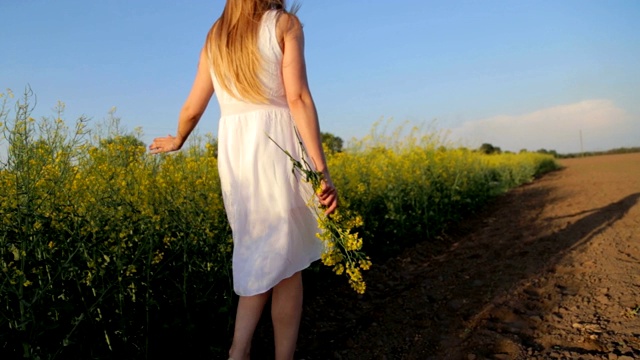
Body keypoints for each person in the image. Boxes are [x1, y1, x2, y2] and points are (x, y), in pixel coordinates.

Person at [148, 1, 338, 359]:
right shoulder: (285, 24)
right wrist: (321, 170)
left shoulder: (215, 37)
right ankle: (260, 354)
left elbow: (193, 107)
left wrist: (178, 139)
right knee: (288, 263)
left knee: (262, 253)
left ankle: (239, 351)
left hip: (237, 156)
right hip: (278, 147)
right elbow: (297, 97)